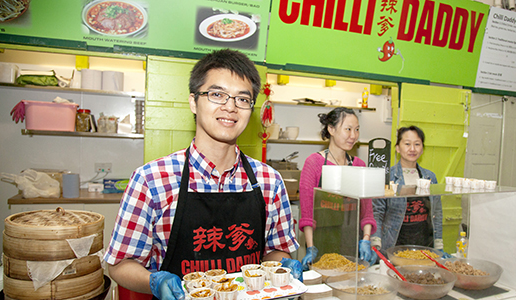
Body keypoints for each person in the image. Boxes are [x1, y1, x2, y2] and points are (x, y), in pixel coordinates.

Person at [103, 49, 302, 300]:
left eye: (242, 99)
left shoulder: (269, 182)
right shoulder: (151, 180)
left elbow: (276, 252)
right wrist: (153, 281)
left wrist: (283, 265)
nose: (230, 107)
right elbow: (120, 264)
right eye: (217, 94)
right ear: (193, 102)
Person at [298, 107, 377, 270]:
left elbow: (367, 212)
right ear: (331, 129)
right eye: (348, 129)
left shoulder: (359, 165)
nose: (353, 135)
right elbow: (307, 213)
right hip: (321, 241)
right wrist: (311, 247)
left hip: (352, 241)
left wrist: (367, 239)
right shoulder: (314, 163)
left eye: (356, 130)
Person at [371, 126, 442, 252]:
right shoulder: (387, 176)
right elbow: (377, 212)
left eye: (417, 144)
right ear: (398, 148)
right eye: (407, 144)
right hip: (394, 244)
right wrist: (375, 242)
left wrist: (439, 243)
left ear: (422, 149)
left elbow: (437, 212)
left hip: (425, 245)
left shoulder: (430, 177)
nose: (412, 149)